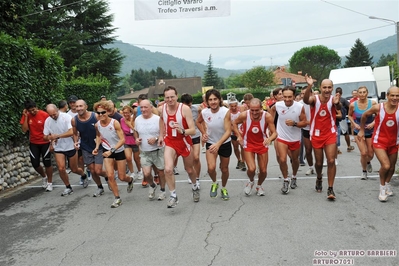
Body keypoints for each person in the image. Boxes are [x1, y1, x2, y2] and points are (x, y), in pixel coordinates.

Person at [158, 86, 200, 208]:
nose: (170, 99)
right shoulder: (162, 109)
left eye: (172, 97)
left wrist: (182, 130)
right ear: (164, 98)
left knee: (190, 169)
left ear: (177, 96)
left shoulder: (185, 109)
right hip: (170, 142)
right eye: (167, 97)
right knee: (168, 169)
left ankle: (195, 186)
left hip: (184, 141)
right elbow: (161, 120)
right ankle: (173, 195)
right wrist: (161, 135)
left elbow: (192, 130)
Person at [357, 86, 399, 202]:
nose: (395, 98)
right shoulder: (378, 107)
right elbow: (364, 115)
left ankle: (387, 183)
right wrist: (361, 130)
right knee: (386, 166)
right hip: (379, 141)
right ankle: (382, 188)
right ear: (387, 96)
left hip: (394, 142)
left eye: (397, 95)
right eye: (392, 95)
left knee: (391, 167)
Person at [303, 75, 341, 200]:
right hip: (316, 134)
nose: (327, 90)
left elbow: (339, 110)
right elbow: (305, 100)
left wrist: (338, 103)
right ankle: (319, 177)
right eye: (324, 87)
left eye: (329, 87)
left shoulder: (333, 99)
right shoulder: (315, 99)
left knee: (331, 160)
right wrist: (309, 86)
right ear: (320, 88)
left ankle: (330, 188)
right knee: (318, 163)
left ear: (332, 88)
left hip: (330, 133)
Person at [92, 101, 134, 208]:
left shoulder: (114, 123)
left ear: (108, 112)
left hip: (118, 151)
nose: (101, 115)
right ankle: (117, 198)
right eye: (98, 113)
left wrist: (112, 150)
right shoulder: (97, 125)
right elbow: (98, 136)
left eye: (103, 112)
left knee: (122, 177)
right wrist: (97, 147)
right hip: (107, 151)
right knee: (110, 175)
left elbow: (122, 140)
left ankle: (130, 180)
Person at [233, 98, 277, 196]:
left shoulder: (267, 116)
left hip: (262, 144)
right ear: (249, 108)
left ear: (261, 108)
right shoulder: (244, 115)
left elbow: (274, 133)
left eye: (257, 110)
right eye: (252, 110)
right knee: (252, 169)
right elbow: (234, 123)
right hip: (248, 144)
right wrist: (239, 135)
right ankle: (251, 181)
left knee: (264, 170)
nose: (254, 112)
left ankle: (259, 185)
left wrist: (269, 139)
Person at [43, 104, 88, 195]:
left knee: (74, 169)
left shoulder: (66, 117)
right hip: (59, 147)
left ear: (57, 110)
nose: (53, 116)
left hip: (70, 145)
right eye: (50, 115)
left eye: (54, 114)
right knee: (61, 168)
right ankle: (68, 187)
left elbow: (72, 132)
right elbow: (44, 136)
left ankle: (83, 175)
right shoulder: (48, 121)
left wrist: (58, 136)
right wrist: (50, 137)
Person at [270, 86, 307, 194]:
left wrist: (294, 123)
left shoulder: (300, 107)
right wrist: (272, 128)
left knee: (295, 160)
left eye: (289, 97)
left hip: (295, 138)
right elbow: (271, 112)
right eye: (285, 97)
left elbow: (305, 122)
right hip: (281, 137)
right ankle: (286, 180)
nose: (286, 99)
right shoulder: (278, 105)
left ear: (294, 96)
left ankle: (294, 176)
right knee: (282, 159)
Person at [196, 89, 232, 200]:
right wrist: (203, 133)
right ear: (206, 101)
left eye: (215, 99)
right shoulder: (204, 112)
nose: (213, 102)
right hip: (211, 142)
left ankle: (224, 188)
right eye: (210, 100)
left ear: (219, 99)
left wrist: (218, 144)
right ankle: (215, 183)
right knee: (211, 168)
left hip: (224, 143)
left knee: (224, 169)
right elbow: (198, 122)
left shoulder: (225, 111)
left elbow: (228, 131)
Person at [134, 99, 166, 200]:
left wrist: (156, 138)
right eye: (141, 107)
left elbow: (164, 133)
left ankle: (162, 190)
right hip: (144, 152)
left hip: (157, 150)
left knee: (160, 172)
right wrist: (136, 139)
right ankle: (152, 185)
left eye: (145, 107)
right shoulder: (138, 119)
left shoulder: (157, 119)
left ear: (151, 108)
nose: (143, 109)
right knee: (147, 174)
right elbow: (135, 131)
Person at [20, 99, 53, 191]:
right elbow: (24, 130)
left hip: (45, 142)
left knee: (47, 163)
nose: (33, 112)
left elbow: (51, 129)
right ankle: (44, 177)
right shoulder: (27, 116)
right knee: (35, 163)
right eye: (30, 110)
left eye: (34, 109)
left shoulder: (44, 115)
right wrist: (26, 116)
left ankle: (50, 183)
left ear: (36, 107)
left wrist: (52, 142)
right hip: (34, 143)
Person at [348, 86, 376, 180]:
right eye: (360, 92)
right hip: (358, 131)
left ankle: (368, 162)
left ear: (367, 93)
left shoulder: (373, 103)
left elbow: (379, 115)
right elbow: (349, 115)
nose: (362, 94)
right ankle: (364, 171)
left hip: (370, 131)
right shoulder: (353, 105)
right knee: (364, 153)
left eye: (364, 92)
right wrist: (354, 124)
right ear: (358, 94)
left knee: (370, 154)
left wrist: (373, 122)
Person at [181, 93, 202, 186]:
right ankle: (191, 174)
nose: (188, 107)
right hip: (185, 136)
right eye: (186, 105)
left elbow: (201, 119)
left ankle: (197, 178)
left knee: (196, 157)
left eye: (189, 105)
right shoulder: (179, 110)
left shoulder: (196, 109)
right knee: (189, 160)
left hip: (195, 135)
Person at [120, 106, 141, 180]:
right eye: (124, 113)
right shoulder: (121, 120)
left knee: (137, 159)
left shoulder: (134, 119)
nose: (126, 114)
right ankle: (132, 173)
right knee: (128, 158)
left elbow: (135, 130)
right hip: (126, 141)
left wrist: (129, 124)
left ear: (130, 113)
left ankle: (139, 171)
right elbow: (121, 130)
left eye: (127, 113)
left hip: (134, 140)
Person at [298, 87, 315, 174]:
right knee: (308, 150)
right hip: (306, 129)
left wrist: (311, 122)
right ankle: (311, 167)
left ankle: (319, 166)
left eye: (306, 93)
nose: (303, 95)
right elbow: (299, 119)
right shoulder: (299, 104)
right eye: (302, 94)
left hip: (317, 129)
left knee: (318, 149)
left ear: (311, 94)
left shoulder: (316, 101)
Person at [228, 96, 245, 170]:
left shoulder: (240, 111)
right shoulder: (228, 113)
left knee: (242, 147)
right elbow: (228, 124)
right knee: (235, 147)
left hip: (241, 131)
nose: (234, 108)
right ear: (229, 106)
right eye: (232, 106)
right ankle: (239, 159)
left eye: (235, 106)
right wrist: (234, 130)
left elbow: (244, 121)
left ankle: (243, 162)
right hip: (233, 132)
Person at [335, 87, 353, 153]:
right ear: (342, 93)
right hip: (342, 118)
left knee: (337, 133)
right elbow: (350, 106)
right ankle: (348, 146)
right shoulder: (343, 100)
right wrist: (349, 113)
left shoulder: (333, 99)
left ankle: (337, 148)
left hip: (335, 118)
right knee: (345, 133)